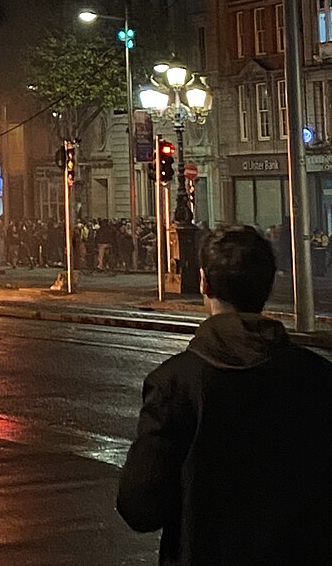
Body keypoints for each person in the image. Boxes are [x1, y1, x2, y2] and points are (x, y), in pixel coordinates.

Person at [117, 226, 332, 565]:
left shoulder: (173, 384)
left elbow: (140, 506)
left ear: (204, 283)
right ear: (269, 283)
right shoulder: (318, 378)